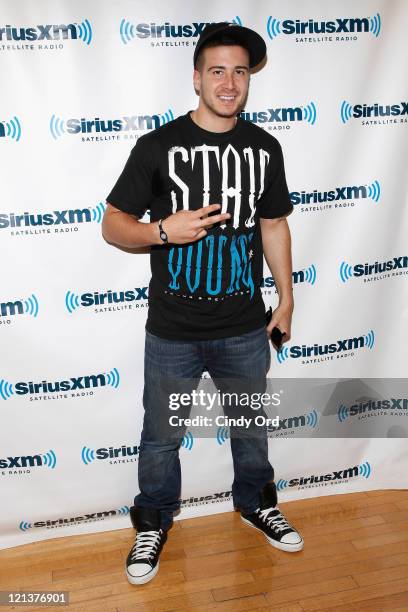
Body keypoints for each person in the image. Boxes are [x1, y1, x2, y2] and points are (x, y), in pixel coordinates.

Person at [102, 21, 303, 586]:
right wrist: (163, 230)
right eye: (217, 70)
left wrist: (286, 297)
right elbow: (113, 226)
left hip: (244, 323)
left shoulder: (265, 148)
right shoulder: (158, 147)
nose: (229, 82)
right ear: (197, 78)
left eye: (240, 71)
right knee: (161, 435)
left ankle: (255, 502)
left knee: (249, 427)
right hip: (172, 328)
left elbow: (274, 223)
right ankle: (154, 519)